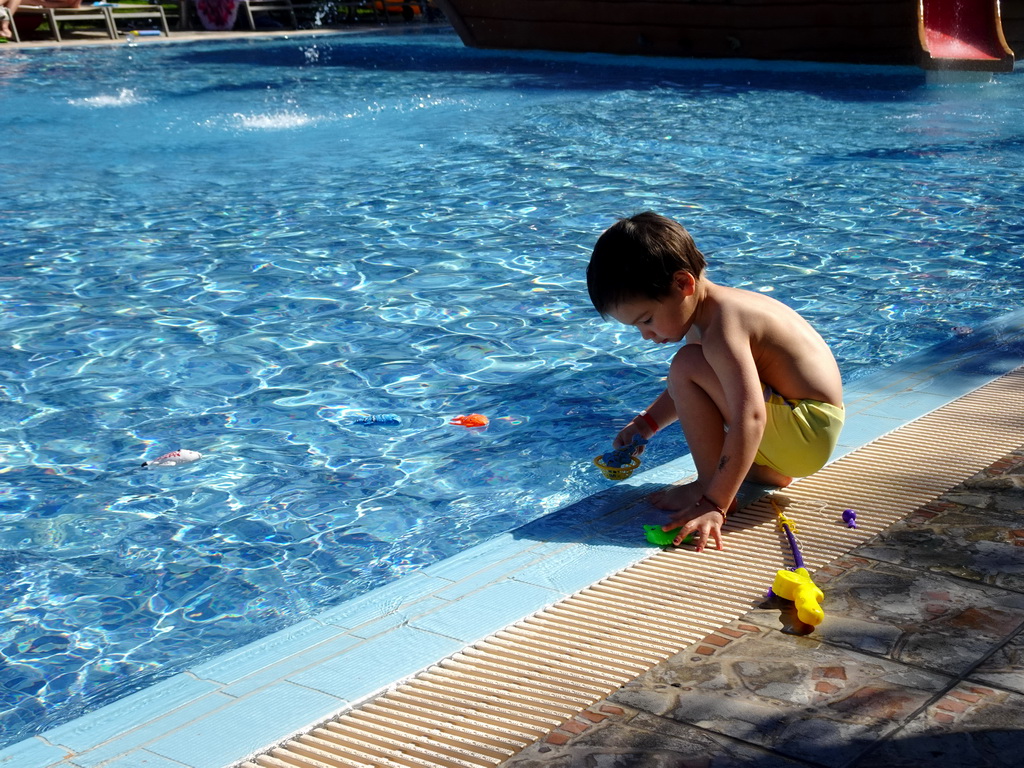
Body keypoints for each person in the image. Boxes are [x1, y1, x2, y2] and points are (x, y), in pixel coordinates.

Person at [588, 211, 844, 553]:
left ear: (683, 284)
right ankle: (763, 471)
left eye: (646, 320)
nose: (646, 336)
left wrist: (715, 502)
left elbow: (750, 415)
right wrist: (646, 424)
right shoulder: (709, 314)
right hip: (807, 432)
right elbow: (697, 388)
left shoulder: (724, 326)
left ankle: (710, 487)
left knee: (686, 363)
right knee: (690, 366)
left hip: (805, 431)